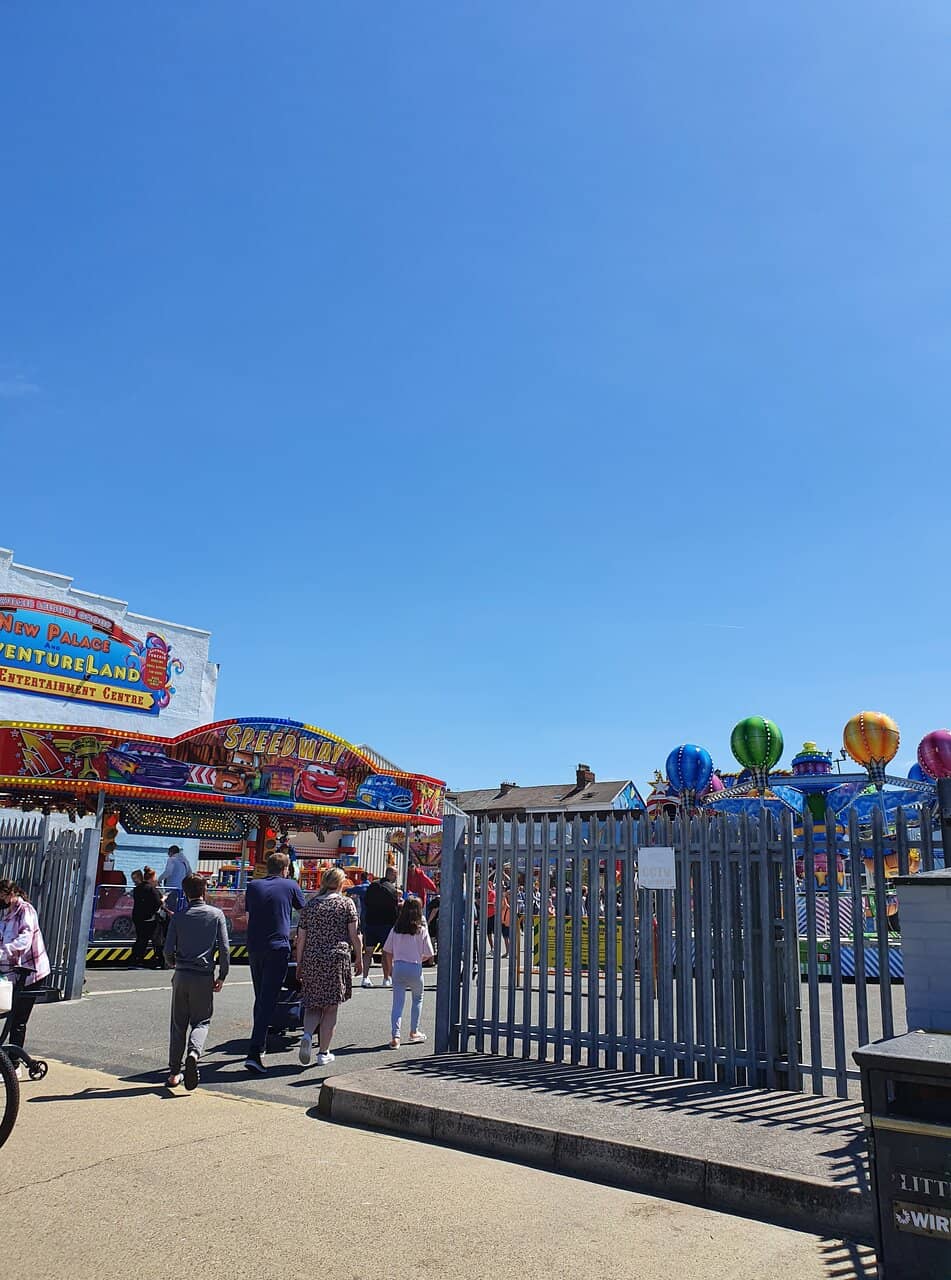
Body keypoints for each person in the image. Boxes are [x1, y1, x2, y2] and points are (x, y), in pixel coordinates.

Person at [163, 874, 229, 1090]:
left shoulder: (179, 917)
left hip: (182, 974)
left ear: (185, 892)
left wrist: (172, 962)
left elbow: (167, 949)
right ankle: (194, 1052)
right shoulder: (216, 914)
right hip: (203, 975)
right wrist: (222, 975)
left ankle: (174, 1072)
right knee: (201, 1021)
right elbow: (224, 948)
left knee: (178, 1024)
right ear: (204, 891)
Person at [244, 851, 306, 1074]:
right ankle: (253, 1051)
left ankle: (259, 1043)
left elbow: (252, 912)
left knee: (260, 996)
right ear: (286, 868)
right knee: (269, 999)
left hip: (254, 946)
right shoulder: (291, 886)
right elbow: (304, 913)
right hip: (277, 946)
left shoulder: (253, 886)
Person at [295, 866, 363, 1068]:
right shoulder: (346, 904)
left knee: (313, 1003)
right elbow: (354, 935)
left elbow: (301, 938)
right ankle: (323, 1052)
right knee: (331, 1008)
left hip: (312, 958)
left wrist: (300, 963)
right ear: (341, 884)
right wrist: (358, 958)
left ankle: (307, 1034)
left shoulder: (311, 905)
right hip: (336, 959)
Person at [0, 878, 50, 1079]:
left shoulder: (25, 911)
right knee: (7, 1014)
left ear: (10, 894)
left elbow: (23, 941)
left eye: (2, 897)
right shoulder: (5, 912)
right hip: (11, 973)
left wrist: (3, 951)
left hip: (30, 973)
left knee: (17, 1020)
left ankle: (13, 1066)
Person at [383, 896, 433, 1049]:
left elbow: (387, 951)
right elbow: (430, 952)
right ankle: (414, 1031)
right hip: (415, 967)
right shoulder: (421, 930)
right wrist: (420, 957)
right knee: (417, 999)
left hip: (398, 966)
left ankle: (395, 1036)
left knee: (398, 1003)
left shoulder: (396, 929)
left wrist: (390, 968)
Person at [361, 866, 399, 988]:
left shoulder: (372, 885)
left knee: (368, 951)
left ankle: (365, 977)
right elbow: (394, 909)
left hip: (371, 922)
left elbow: (366, 902)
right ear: (391, 874)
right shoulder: (392, 889)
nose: (396, 877)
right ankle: (386, 978)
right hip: (386, 924)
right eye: (396, 874)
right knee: (386, 952)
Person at [130, 866, 166, 968]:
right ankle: (159, 960)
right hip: (149, 918)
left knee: (141, 939)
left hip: (138, 917)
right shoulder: (151, 889)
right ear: (151, 878)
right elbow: (158, 903)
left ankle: (135, 960)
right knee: (157, 940)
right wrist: (164, 898)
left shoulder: (137, 889)